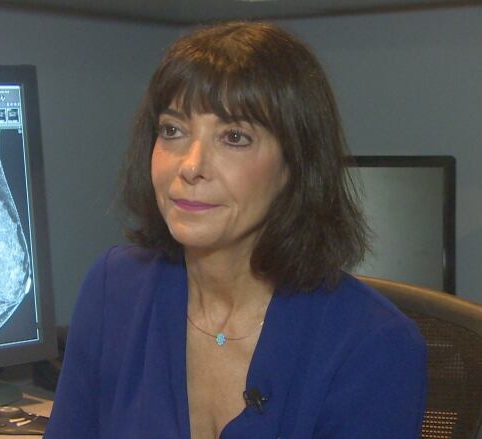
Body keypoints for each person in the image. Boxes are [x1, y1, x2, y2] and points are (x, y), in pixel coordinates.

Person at [44, 21, 426, 439]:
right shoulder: (113, 290)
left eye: (234, 137)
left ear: (293, 166)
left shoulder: (373, 345)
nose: (190, 166)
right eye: (173, 130)